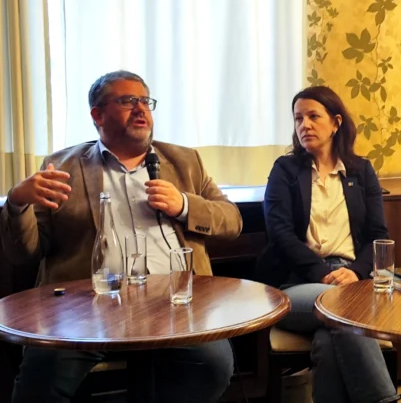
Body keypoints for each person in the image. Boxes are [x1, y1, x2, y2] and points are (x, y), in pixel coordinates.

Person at [0, 70, 243, 403]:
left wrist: (184, 205)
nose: (141, 109)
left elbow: (232, 221)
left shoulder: (185, 161)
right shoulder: (61, 167)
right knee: (41, 376)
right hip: (85, 310)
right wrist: (17, 203)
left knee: (214, 365)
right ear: (98, 115)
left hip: (177, 304)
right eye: (128, 101)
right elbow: (24, 253)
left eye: (145, 101)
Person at [257, 86, 399, 403]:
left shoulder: (361, 171)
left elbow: (379, 235)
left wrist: (356, 272)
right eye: (298, 119)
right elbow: (280, 233)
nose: (304, 125)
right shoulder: (285, 170)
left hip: (353, 281)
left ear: (336, 123)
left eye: (313, 116)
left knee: (328, 341)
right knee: (342, 309)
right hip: (296, 284)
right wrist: (322, 273)